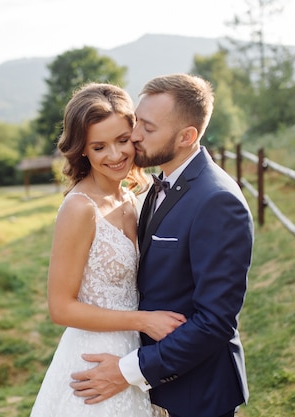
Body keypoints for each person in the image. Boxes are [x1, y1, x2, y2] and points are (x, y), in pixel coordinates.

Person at [69, 73, 254, 417]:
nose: (134, 136)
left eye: (148, 129)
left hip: (196, 393)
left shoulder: (217, 201)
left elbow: (214, 322)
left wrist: (127, 371)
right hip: (151, 384)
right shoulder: (159, 184)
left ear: (187, 136)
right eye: (138, 121)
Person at [29, 82, 187, 417]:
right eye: (99, 146)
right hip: (95, 361)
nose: (115, 156)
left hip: (133, 357)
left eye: (122, 140)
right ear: (82, 149)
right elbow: (60, 308)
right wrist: (144, 320)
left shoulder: (130, 197)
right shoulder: (79, 208)